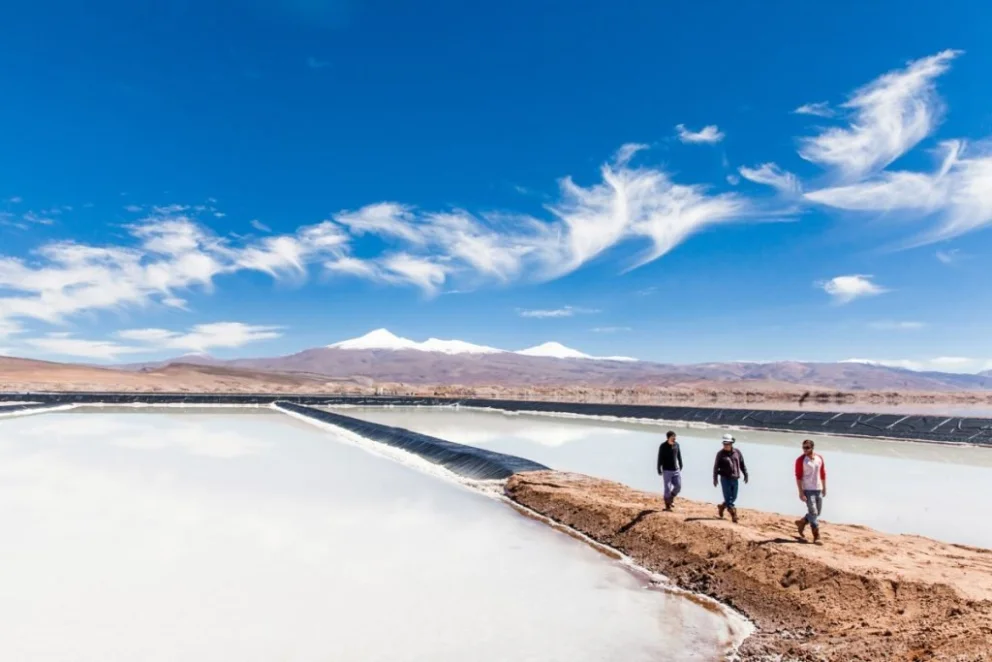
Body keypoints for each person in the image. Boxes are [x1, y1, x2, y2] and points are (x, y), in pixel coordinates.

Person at [795, 439, 827, 543]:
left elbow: (823, 474)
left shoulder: (819, 458)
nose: (805, 450)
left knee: (817, 513)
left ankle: (803, 522)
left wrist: (824, 488)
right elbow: (798, 477)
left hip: (818, 488)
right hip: (808, 489)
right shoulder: (800, 460)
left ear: (812, 448)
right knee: (813, 512)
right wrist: (800, 492)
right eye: (803, 447)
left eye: (807, 448)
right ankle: (817, 536)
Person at [712, 433, 748, 523]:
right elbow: (715, 467)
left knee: (734, 497)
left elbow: (742, 464)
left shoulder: (737, 452)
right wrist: (715, 478)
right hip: (725, 479)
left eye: (727, 444)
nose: (726, 445)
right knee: (729, 499)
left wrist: (746, 474)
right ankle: (734, 515)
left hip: (735, 478)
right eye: (724, 444)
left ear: (732, 443)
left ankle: (722, 507)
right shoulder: (720, 454)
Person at [657, 430, 683, 511]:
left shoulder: (677, 445)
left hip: (676, 469)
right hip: (667, 470)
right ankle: (667, 505)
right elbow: (660, 458)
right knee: (667, 488)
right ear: (668, 438)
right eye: (673, 437)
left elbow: (679, 455)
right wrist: (658, 468)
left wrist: (681, 463)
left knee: (678, 486)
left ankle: (671, 498)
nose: (674, 438)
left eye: (675, 437)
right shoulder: (663, 446)